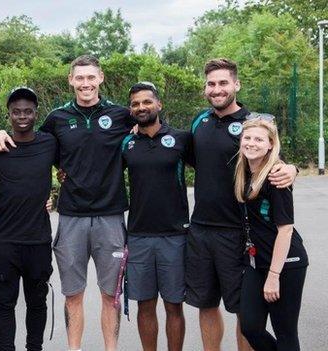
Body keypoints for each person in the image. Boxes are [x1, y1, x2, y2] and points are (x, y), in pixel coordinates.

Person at [0, 55, 134, 351]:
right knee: (73, 294)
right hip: (71, 217)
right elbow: (28, 141)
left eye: (90, 77)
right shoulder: (56, 119)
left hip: (110, 216)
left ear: (101, 78)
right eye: (79, 78)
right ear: (71, 80)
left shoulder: (121, 116)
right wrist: (0, 133)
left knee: (111, 295)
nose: (85, 83)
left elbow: (149, 129)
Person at [186, 58, 297, 351]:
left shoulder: (253, 123)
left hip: (237, 232)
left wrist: (292, 168)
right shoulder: (200, 122)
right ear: (205, 88)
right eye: (211, 84)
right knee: (206, 304)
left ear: (236, 84)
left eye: (223, 83)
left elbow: (273, 155)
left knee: (243, 312)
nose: (217, 89)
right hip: (200, 230)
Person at [0, 87, 56, 351]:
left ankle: (34, 347)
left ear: (36, 113)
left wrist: (56, 196)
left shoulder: (49, 143)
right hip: (5, 242)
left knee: (37, 302)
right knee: (4, 303)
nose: (22, 116)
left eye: (27, 111)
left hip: (38, 240)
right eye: (16, 112)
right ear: (9, 115)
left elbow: (77, 166)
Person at [121, 82, 191, 351]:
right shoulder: (126, 143)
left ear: (159, 104)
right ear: (131, 109)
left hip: (175, 235)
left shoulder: (182, 139)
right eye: (136, 103)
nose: (141, 107)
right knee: (145, 304)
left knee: (174, 305)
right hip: (138, 235)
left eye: (147, 102)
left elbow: (214, 165)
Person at [234, 117, 308, 351]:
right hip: (256, 262)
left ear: (270, 144)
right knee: (250, 326)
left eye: (258, 139)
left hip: (286, 263)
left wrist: (274, 275)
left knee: (285, 332)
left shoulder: (276, 176)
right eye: (247, 138)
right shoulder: (245, 172)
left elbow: (285, 229)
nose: (251, 143)